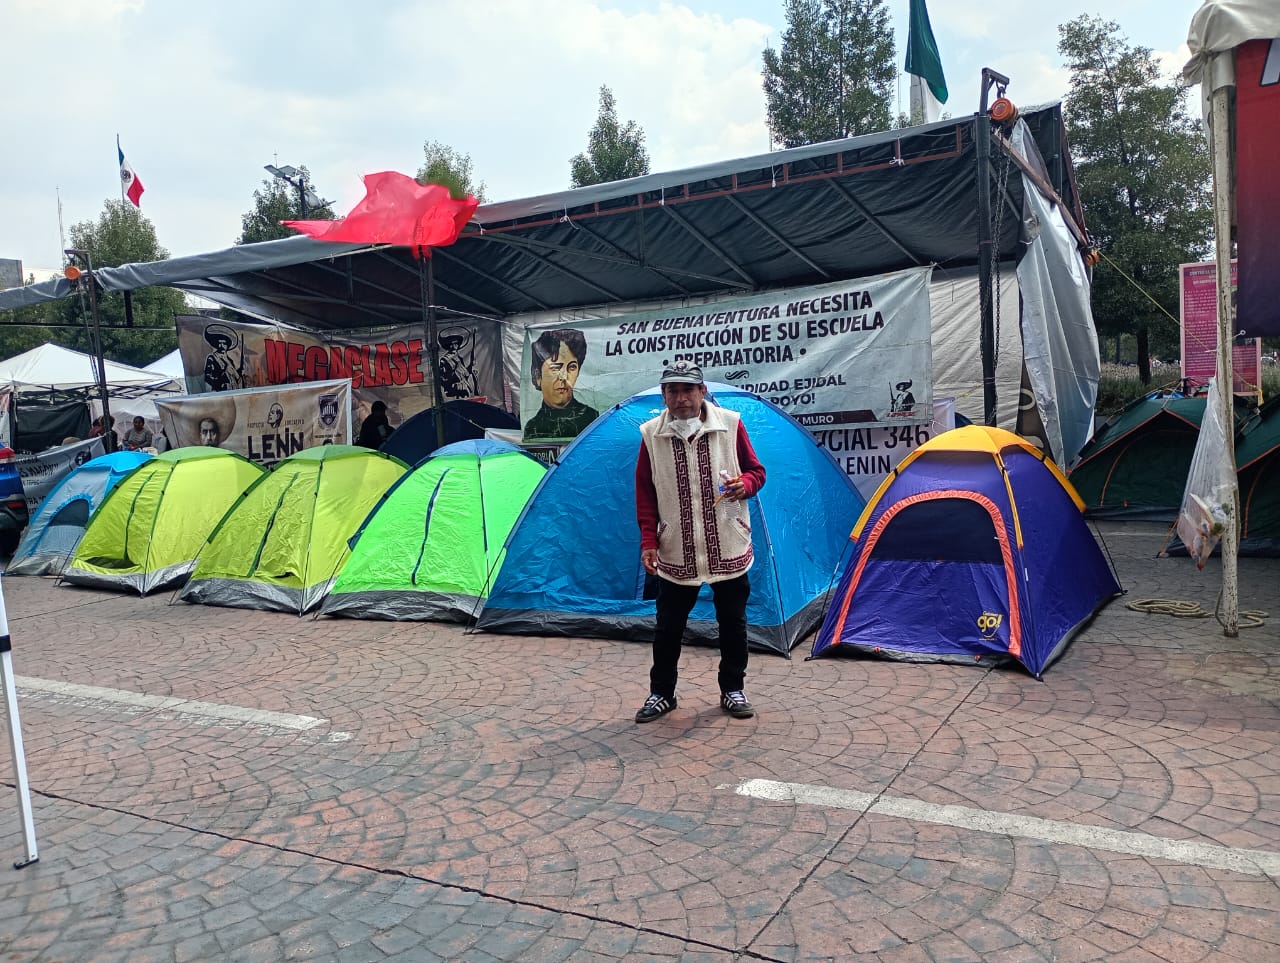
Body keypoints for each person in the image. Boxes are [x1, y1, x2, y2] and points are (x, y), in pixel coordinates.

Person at [633, 360, 766, 723]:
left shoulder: (731, 424)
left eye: (687, 390)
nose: (680, 399)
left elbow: (757, 472)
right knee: (668, 627)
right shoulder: (650, 435)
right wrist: (649, 540)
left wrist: (747, 485)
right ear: (663, 396)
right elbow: (645, 492)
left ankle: (732, 689)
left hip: (727, 542)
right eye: (672, 391)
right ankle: (662, 693)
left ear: (702, 391)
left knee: (733, 623)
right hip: (677, 546)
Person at [523, 328, 600, 440]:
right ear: (538, 375)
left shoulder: (592, 418)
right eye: (555, 368)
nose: (564, 377)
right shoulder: (532, 428)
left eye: (572, 367)